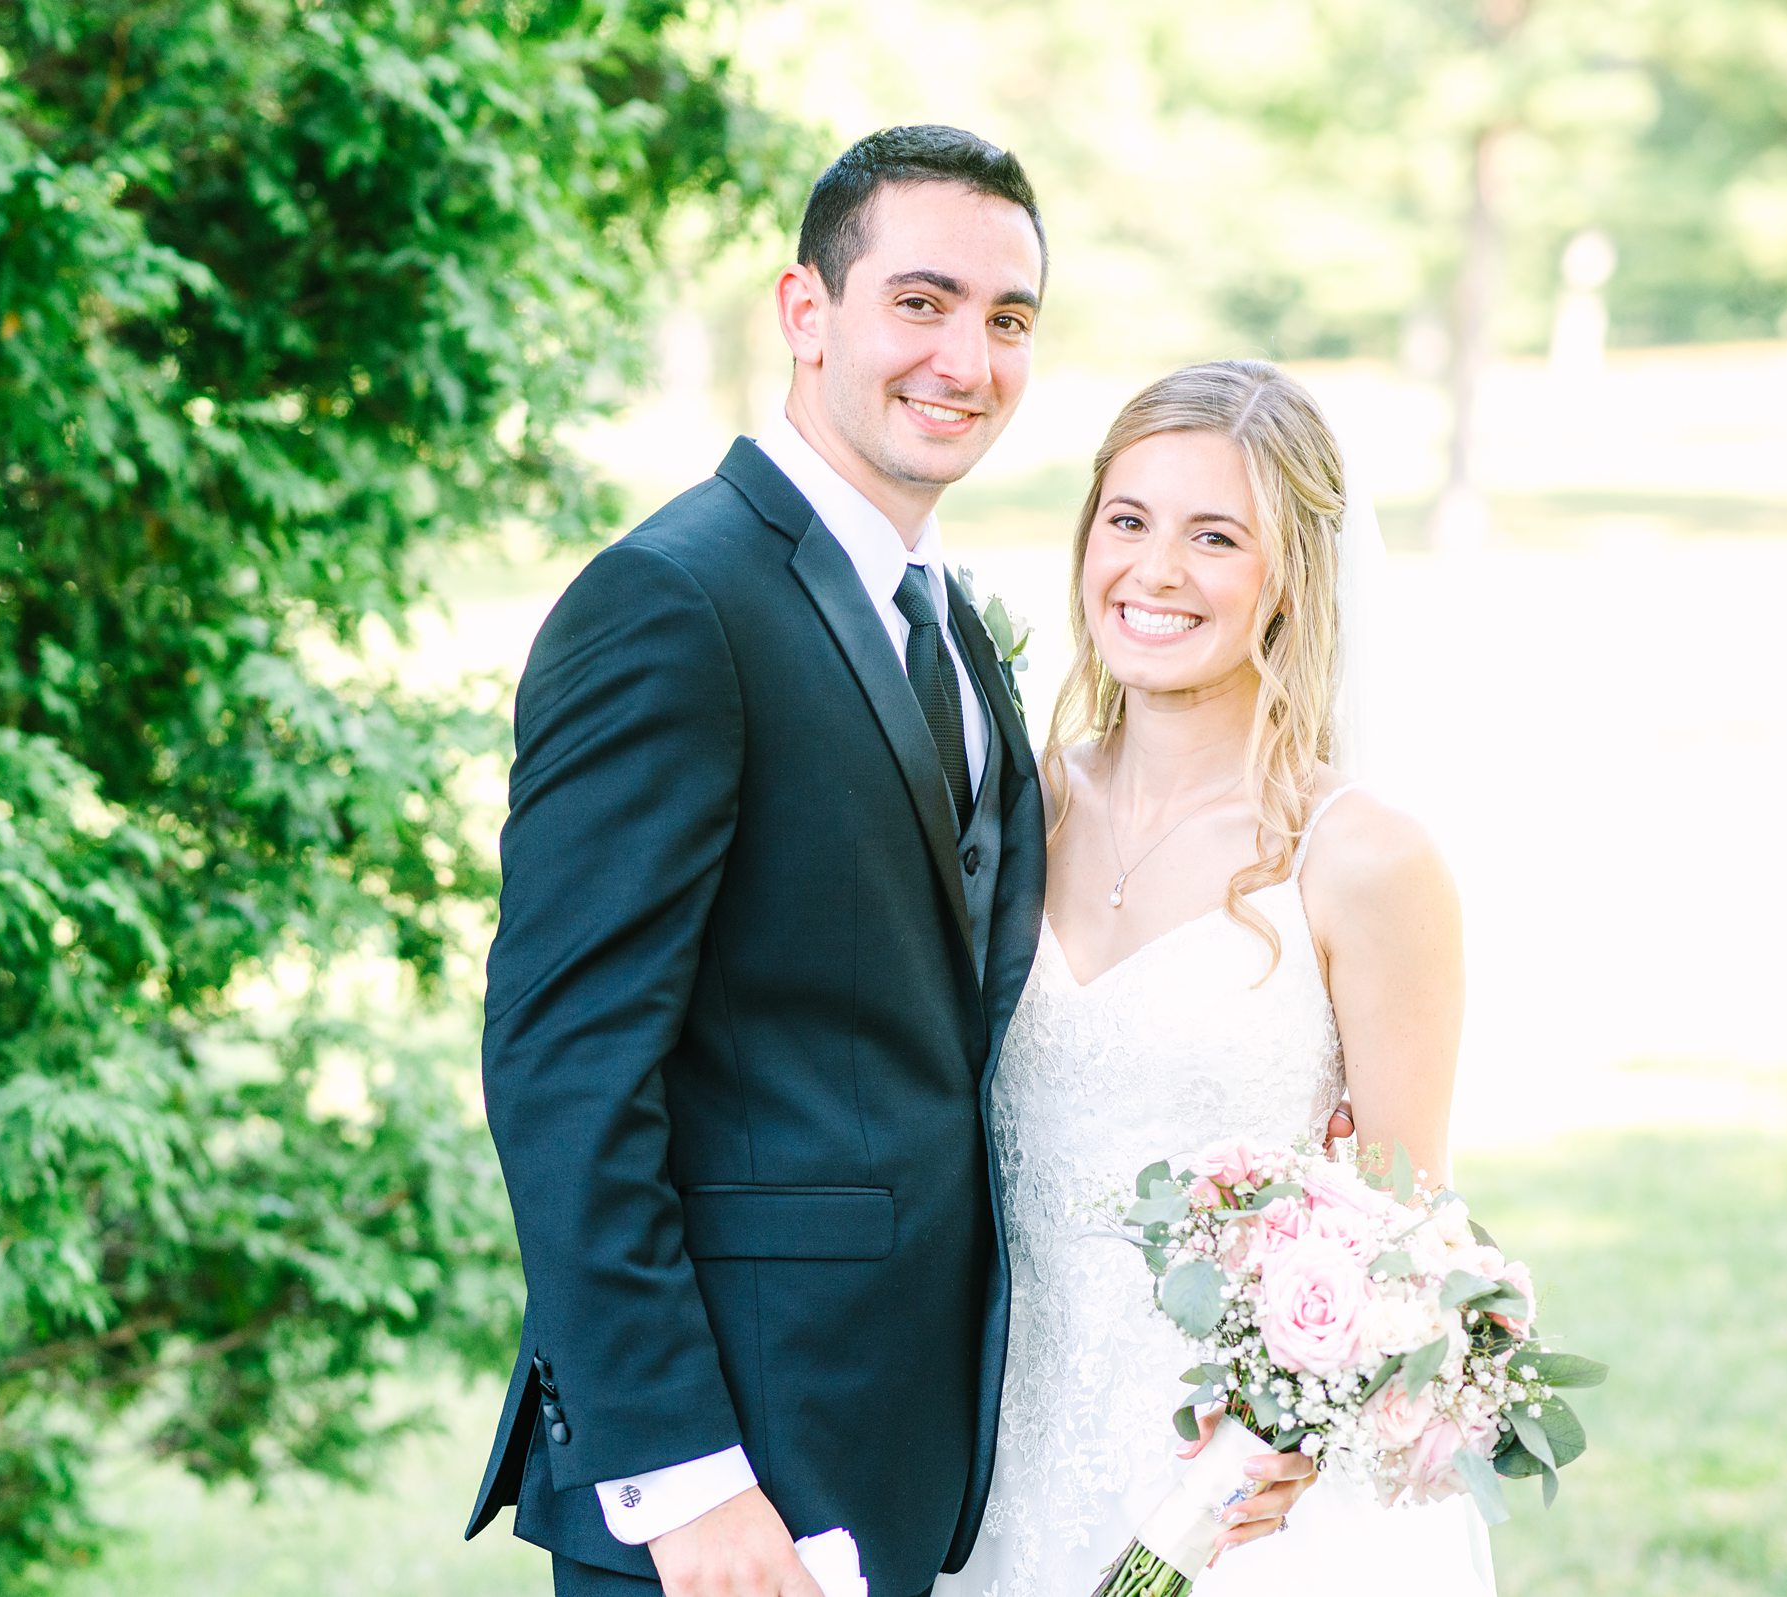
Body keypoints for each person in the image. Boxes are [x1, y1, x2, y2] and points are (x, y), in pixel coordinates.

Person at [464, 130, 1319, 1597]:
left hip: (930, 1468)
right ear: (807, 314)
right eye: (919, 303)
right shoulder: (673, 603)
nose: (965, 359)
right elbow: (564, 1070)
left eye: (1006, 320)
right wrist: (685, 1481)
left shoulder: (950, 628)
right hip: (731, 1494)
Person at [938, 360, 1495, 1596]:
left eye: (1216, 537)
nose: (1155, 572)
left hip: (1237, 1508)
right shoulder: (1010, 810)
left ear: (1292, 574)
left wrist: (1278, 1440)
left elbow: (1405, 1236)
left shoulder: (1365, 860)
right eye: (1128, 521)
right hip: (998, 1460)